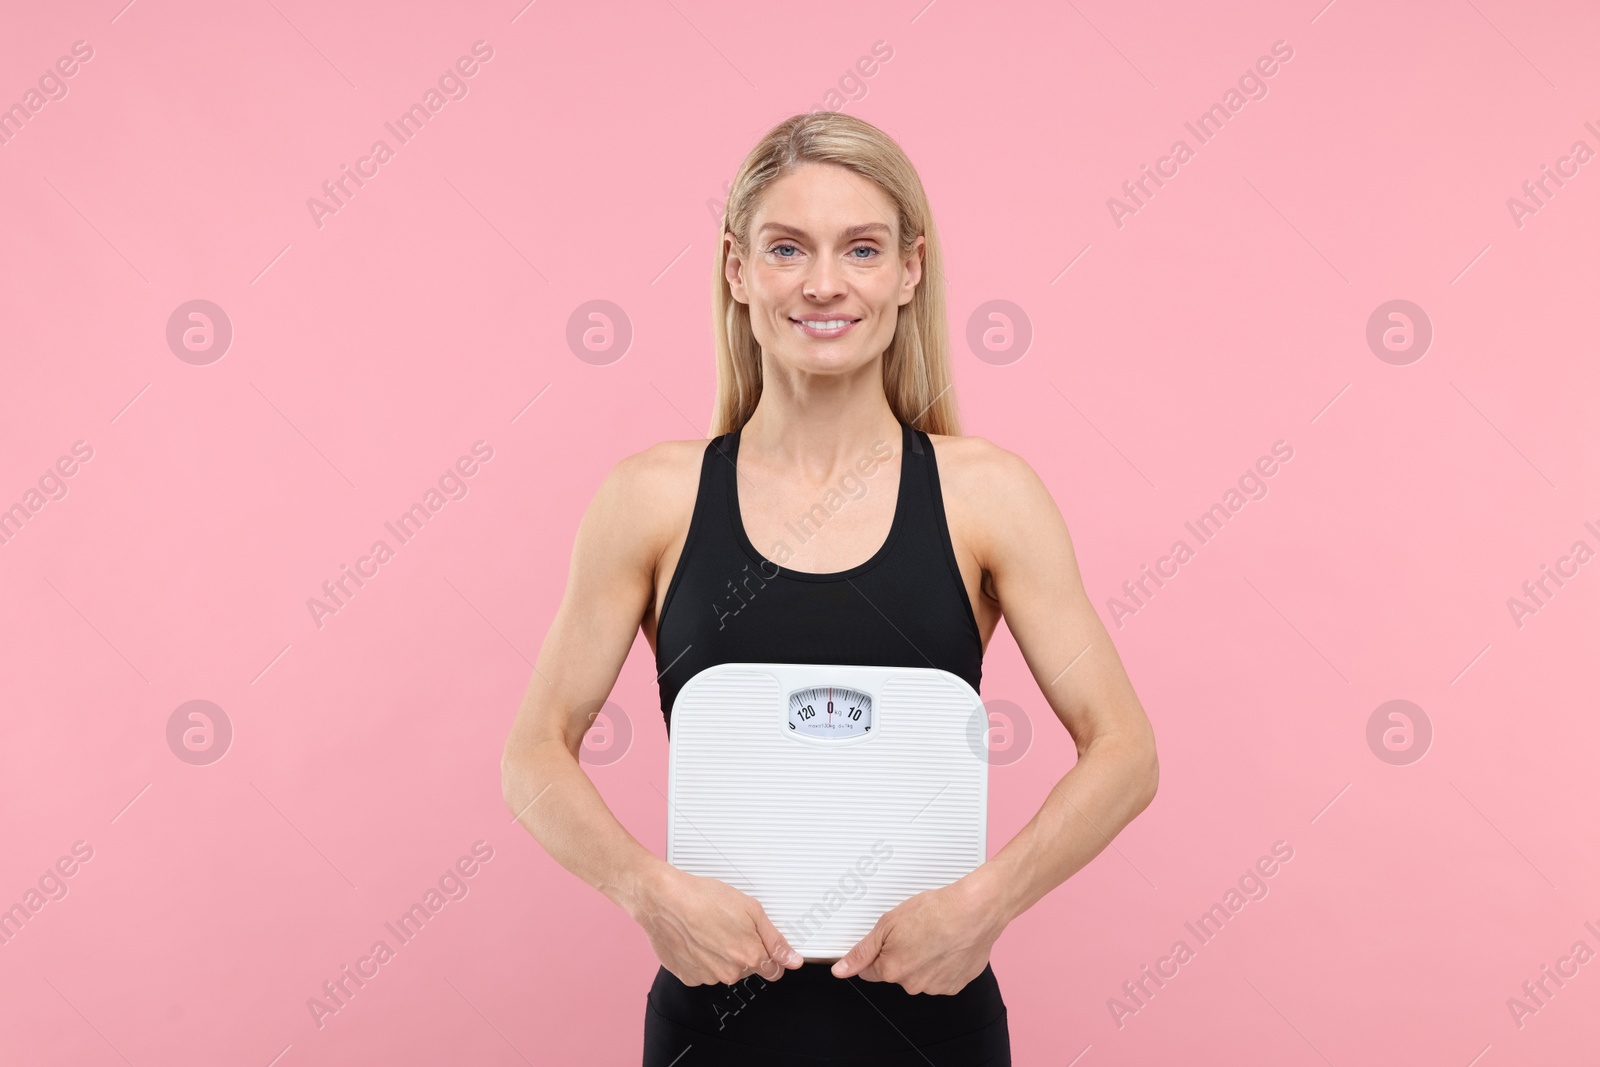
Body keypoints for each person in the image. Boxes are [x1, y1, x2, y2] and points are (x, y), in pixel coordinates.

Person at [500, 111, 1159, 1066]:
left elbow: (1126, 749)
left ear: (909, 270)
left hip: (933, 1025)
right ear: (737, 270)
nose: (822, 282)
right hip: (712, 1028)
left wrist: (985, 904)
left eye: (861, 248)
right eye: (785, 248)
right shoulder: (651, 499)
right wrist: (648, 890)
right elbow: (533, 752)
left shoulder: (988, 496)